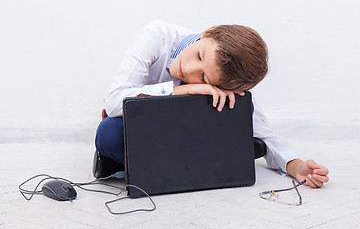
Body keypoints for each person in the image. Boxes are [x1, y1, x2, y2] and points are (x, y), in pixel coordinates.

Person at [94, 20, 329, 188]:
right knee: (109, 134)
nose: (189, 70)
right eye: (199, 56)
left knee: (249, 140)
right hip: (143, 133)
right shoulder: (157, 36)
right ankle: (189, 167)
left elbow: (263, 135)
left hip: (183, 139)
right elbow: (114, 101)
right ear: (208, 32)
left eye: (205, 78)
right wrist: (181, 90)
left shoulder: (229, 84)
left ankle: (169, 167)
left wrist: (294, 164)